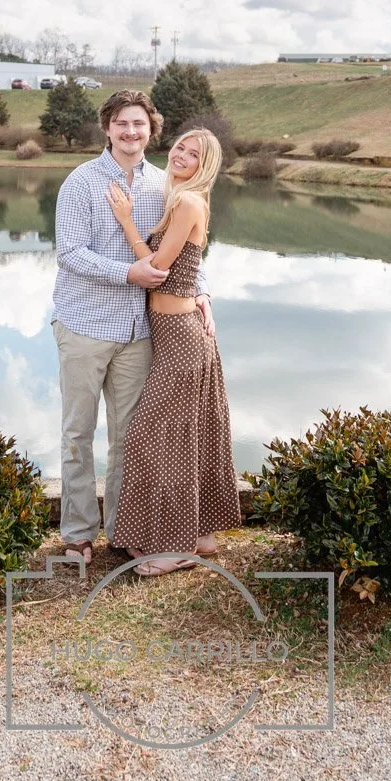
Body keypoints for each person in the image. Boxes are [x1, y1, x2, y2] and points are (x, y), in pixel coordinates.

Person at [51, 90, 214, 566]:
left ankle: (126, 529)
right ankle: (78, 533)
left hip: (141, 331)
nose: (130, 132)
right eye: (122, 123)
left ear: (151, 130)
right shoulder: (80, 183)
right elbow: (70, 253)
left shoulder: (167, 185)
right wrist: (127, 273)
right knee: (77, 433)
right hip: (84, 324)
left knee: (130, 437)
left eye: (139, 124)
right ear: (108, 128)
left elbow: (187, 252)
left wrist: (202, 293)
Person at [106, 127, 242, 576]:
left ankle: (174, 548)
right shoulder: (179, 198)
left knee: (154, 434)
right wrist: (205, 295)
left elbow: (158, 268)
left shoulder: (187, 202)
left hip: (182, 337)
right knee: (189, 432)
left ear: (206, 164)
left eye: (194, 152)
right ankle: (200, 534)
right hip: (173, 331)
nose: (182, 154)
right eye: (180, 147)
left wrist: (126, 220)